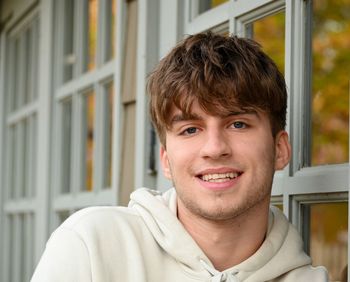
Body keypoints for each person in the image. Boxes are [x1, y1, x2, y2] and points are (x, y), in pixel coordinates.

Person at [31, 32, 328, 282]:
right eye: (189, 130)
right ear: (165, 159)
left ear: (280, 149)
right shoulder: (91, 246)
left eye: (238, 124)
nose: (214, 147)